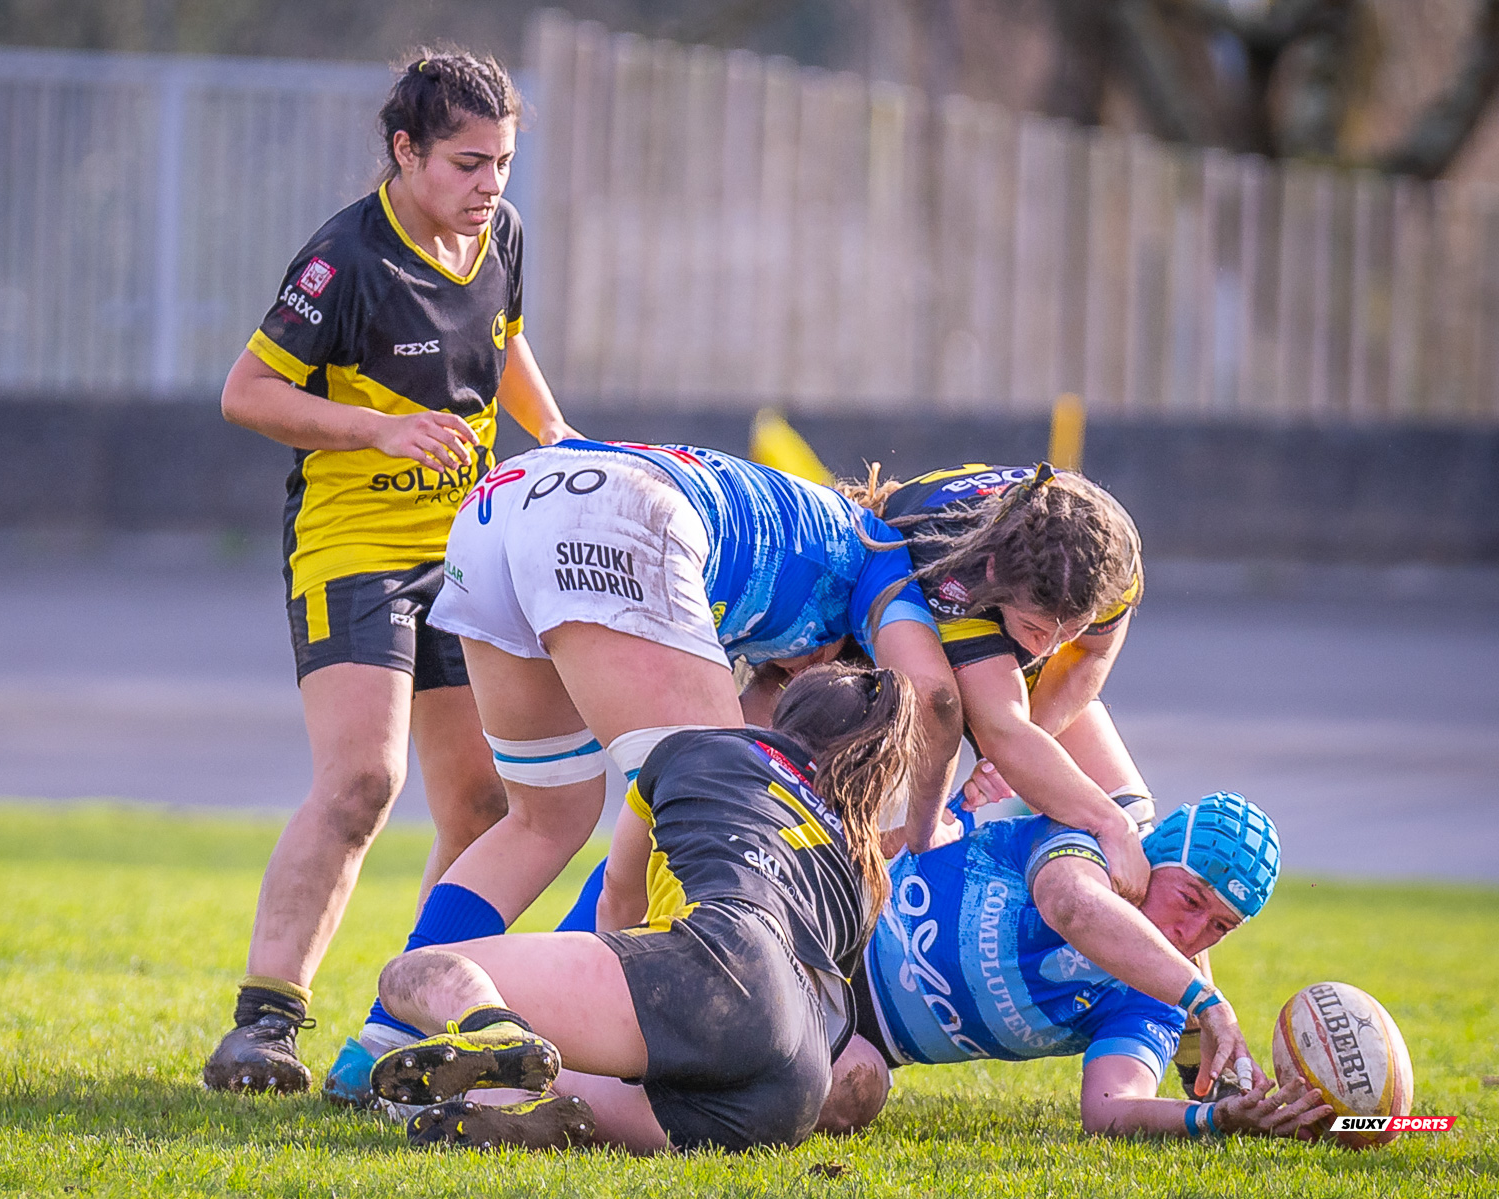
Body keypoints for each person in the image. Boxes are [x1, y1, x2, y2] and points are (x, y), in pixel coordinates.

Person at [322, 440, 1156, 1105]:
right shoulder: (883, 559)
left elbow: (763, 700)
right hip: (624, 522)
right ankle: (600, 1036)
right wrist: (932, 815)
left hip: (505, 506)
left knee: (544, 818)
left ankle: (384, 1038)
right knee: (707, 837)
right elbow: (936, 699)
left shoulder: (815, 549)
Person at [204, 49, 578, 1094]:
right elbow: (246, 392)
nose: (489, 186)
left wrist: (552, 435)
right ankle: (264, 1023)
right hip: (353, 552)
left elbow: (505, 337)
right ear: (405, 151)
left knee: (482, 806)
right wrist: (378, 429)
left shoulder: (497, 233)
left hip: (467, 553)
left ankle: (406, 1022)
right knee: (364, 779)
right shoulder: (345, 259)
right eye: (466, 163)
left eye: (501, 162)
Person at [367, 662, 916, 1151]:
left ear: (783, 713)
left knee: (413, 973)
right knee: (855, 1069)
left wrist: (605, 1015)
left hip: (710, 969)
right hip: (786, 1092)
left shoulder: (696, 748)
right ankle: (533, 1109)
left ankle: (498, 1034)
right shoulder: (861, 863)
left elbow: (618, 900)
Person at [819, 790, 1336, 1141]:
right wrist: (1209, 1002)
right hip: (825, 918)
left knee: (854, 1093)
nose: (1190, 935)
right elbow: (1072, 906)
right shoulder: (1079, 842)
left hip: (858, 1033)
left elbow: (1110, 1106)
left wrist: (1215, 1117)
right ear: (1154, 856)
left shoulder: (1156, 1000)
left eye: (1220, 927)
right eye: (1190, 899)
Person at [852, 461, 1158, 845]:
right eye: (1036, 629)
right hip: (917, 571)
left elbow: (1090, 654)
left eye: (1072, 629)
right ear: (996, 574)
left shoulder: (1115, 560)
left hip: (1005, 585)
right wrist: (1106, 822)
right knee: (939, 704)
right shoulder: (960, 571)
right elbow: (1004, 730)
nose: (1048, 647)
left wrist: (1017, 753)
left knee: (1134, 820)